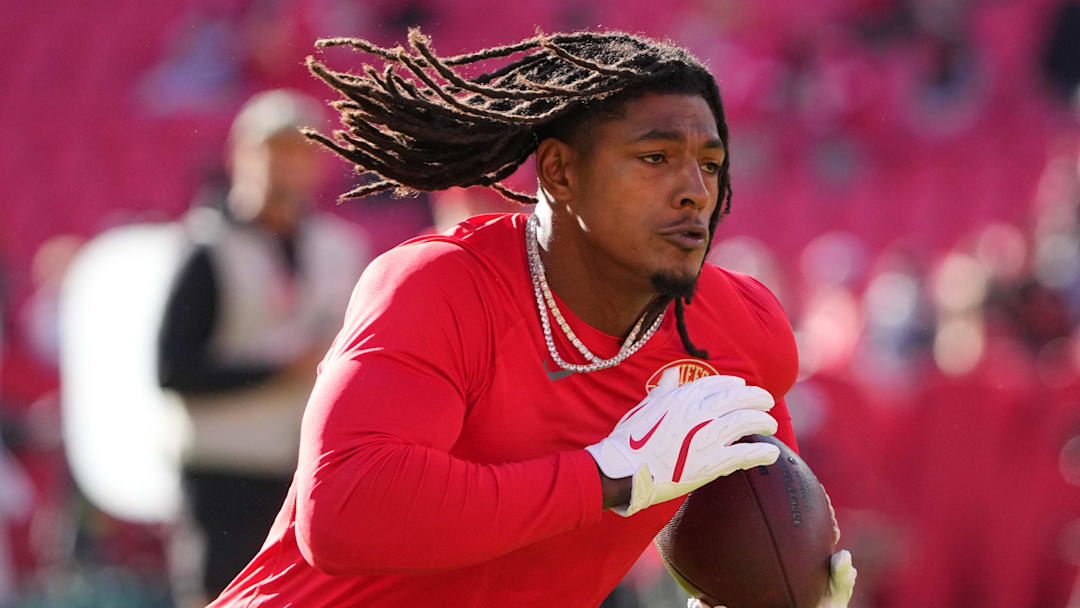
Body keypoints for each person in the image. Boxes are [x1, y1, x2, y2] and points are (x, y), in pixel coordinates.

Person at [208, 30, 856, 607]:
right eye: (655, 157)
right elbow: (343, 512)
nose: (695, 189)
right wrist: (605, 475)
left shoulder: (741, 329)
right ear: (559, 171)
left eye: (710, 164)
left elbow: (760, 536)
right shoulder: (440, 284)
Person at [156, 89, 369, 602]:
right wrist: (278, 370)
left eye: (301, 150)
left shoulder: (342, 249)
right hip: (223, 470)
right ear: (241, 156)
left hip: (308, 471)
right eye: (274, 149)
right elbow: (173, 370)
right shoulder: (205, 247)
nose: (287, 165)